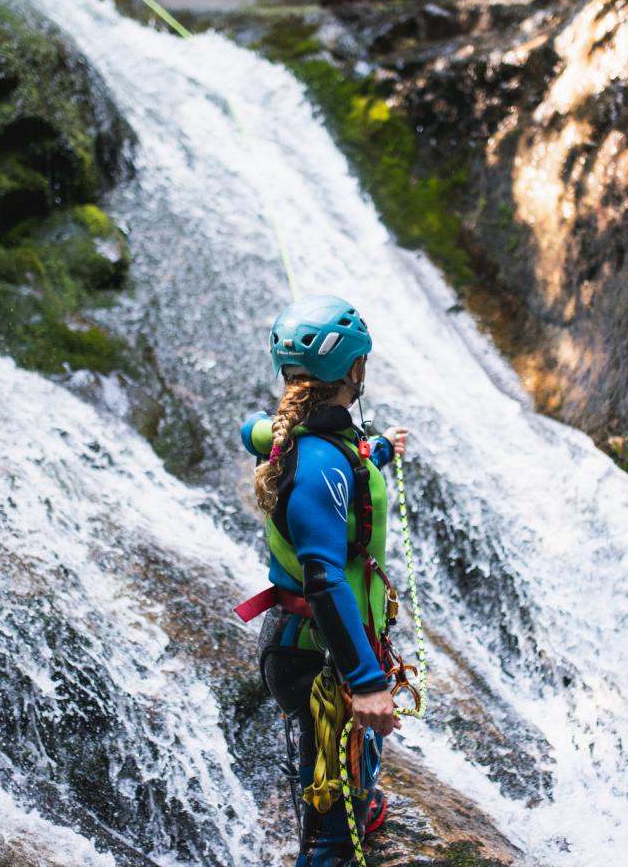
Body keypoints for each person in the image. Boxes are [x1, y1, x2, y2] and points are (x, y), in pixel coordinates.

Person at [235, 295, 411, 867]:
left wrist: (381, 450)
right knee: (330, 844)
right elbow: (323, 579)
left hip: (312, 643)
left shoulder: (306, 443)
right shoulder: (318, 466)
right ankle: (340, 831)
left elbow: (345, 469)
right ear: (355, 371)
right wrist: (365, 682)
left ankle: (361, 804)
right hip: (318, 656)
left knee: (356, 760)